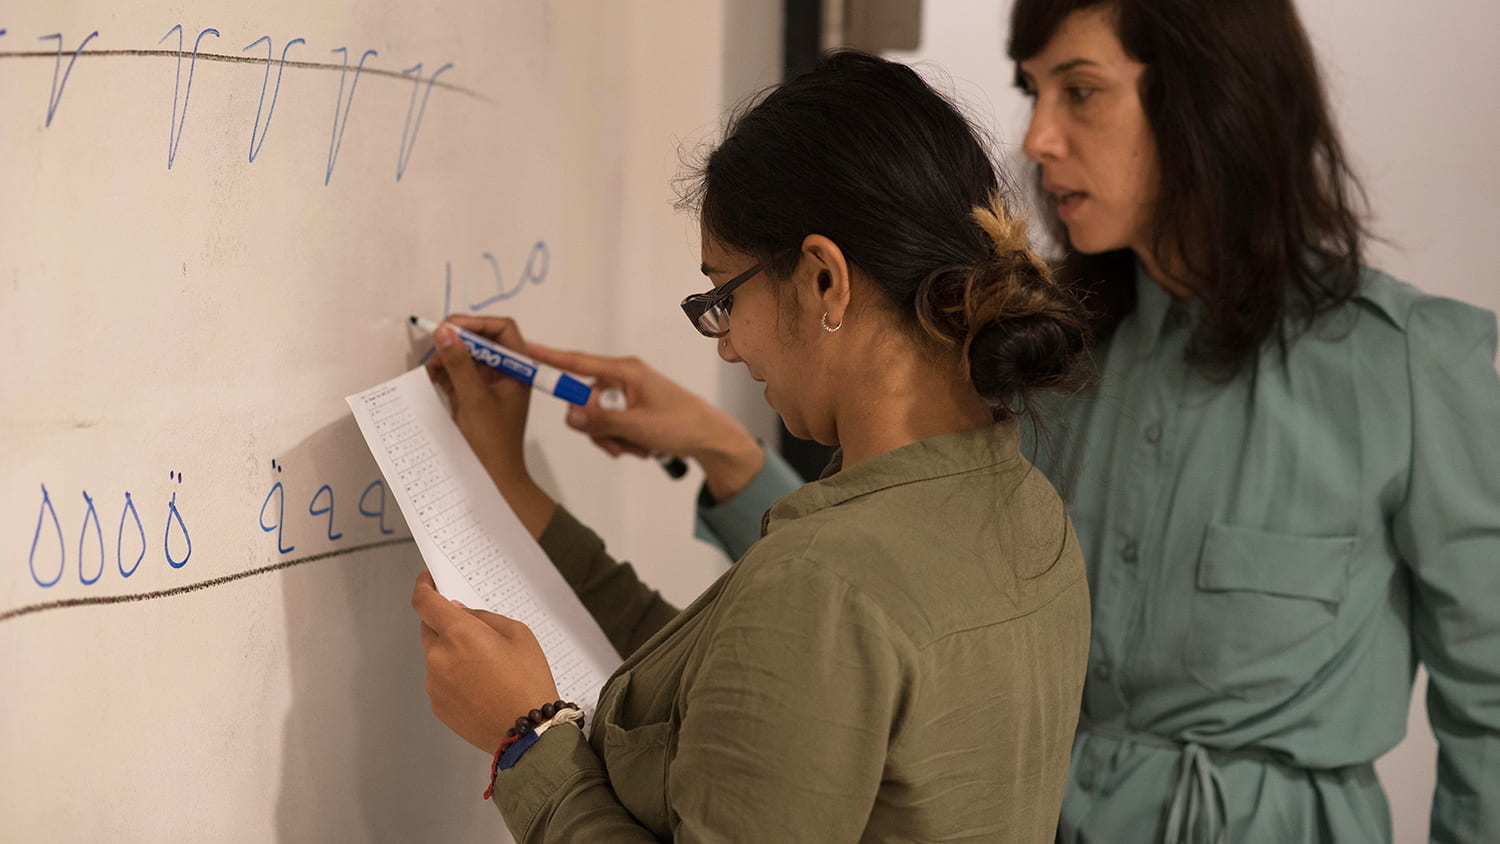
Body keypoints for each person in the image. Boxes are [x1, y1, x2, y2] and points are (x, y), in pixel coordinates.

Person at [559, 2, 1500, 841]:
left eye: (1081, 92)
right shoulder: (1052, 355)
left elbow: (1490, 707)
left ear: (1216, 100)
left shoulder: (1415, 364)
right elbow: (899, 593)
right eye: (1032, 91)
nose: (1039, 137)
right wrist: (725, 453)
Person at [410, 51, 1094, 842]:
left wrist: (527, 742)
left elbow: (780, 660)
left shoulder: (828, 579)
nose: (727, 346)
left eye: (722, 297)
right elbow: (729, 706)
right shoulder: (1025, 508)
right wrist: (509, 485)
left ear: (824, 280)